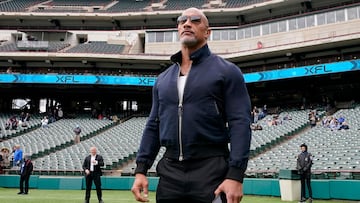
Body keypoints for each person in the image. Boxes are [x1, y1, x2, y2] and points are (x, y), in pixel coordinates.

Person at [131, 7, 252, 203]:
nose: (187, 23)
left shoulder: (228, 72)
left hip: (211, 170)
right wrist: (141, 170)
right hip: (170, 173)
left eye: (195, 20)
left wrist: (235, 175)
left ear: (207, 32)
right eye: (182, 20)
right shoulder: (162, 80)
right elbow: (153, 125)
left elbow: (240, 123)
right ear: (178, 29)